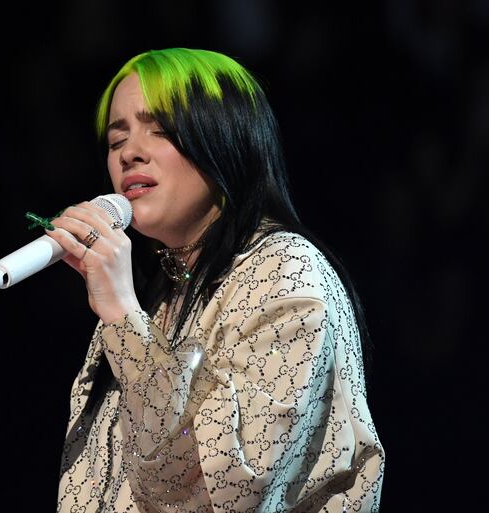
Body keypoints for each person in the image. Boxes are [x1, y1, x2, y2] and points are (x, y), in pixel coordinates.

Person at [44, 48, 384, 513]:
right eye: (117, 138)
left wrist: (123, 318)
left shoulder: (286, 272)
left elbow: (226, 487)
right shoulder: (156, 295)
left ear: (226, 141)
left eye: (161, 130)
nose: (129, 153)